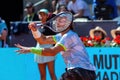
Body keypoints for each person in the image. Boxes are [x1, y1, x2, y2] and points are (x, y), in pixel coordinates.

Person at [15, 12, 96, 80]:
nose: (57, 22)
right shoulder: (61, 36)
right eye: (57, 20)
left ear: (68, 24)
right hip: (83, 73)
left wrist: (31, 50)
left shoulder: (69, 36)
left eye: (61, 21)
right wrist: (35, 30)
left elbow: (52, 52)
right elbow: (42, 40)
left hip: (81, 72)